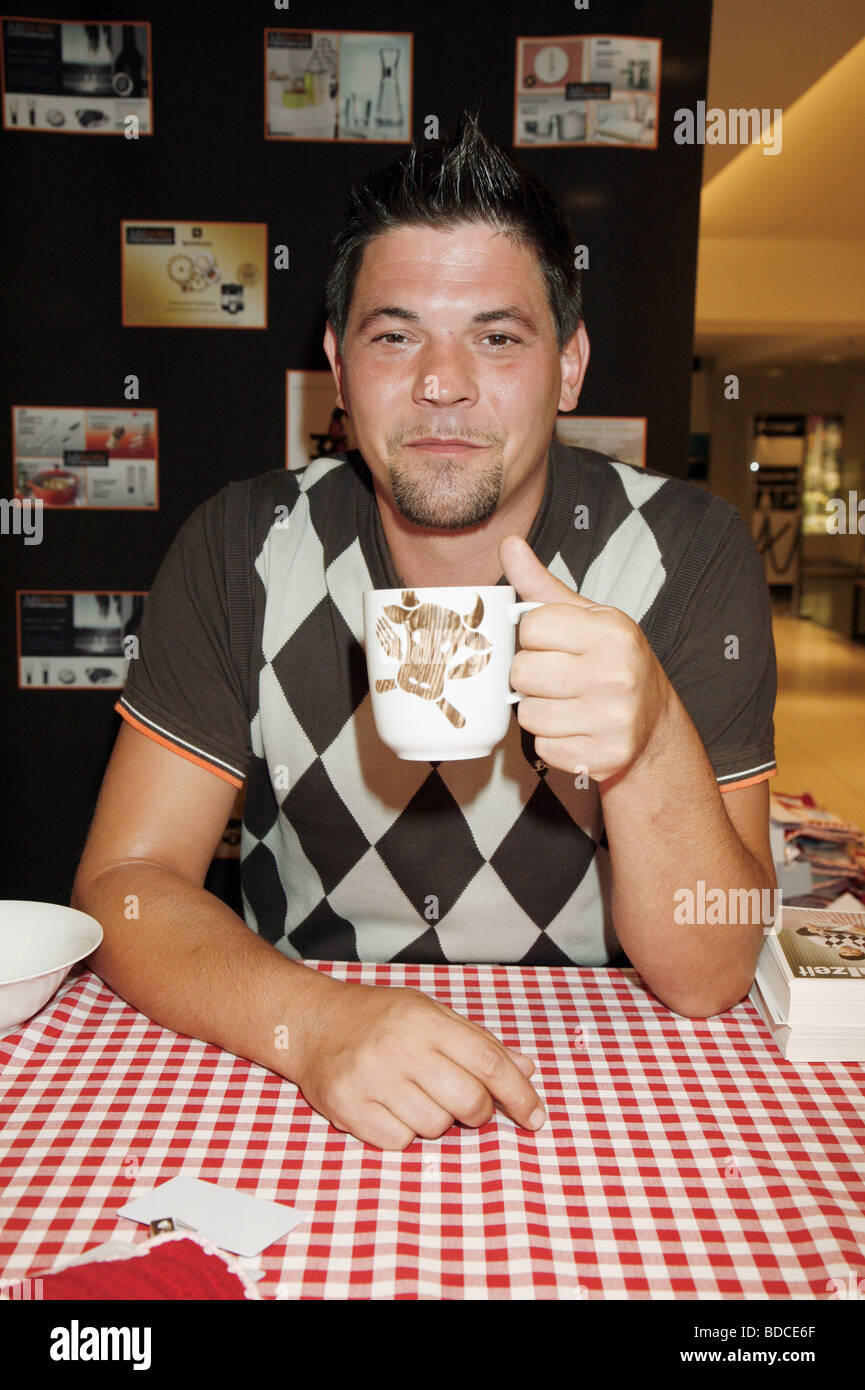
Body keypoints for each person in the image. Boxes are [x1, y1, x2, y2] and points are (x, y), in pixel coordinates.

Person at [72, 113, 778, 1151]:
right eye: (395, 334)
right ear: (337, 366)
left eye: (496, 337)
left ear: (570, 365)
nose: (441, 381)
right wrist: (315, 1025)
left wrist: (651, 733)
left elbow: (711, 972)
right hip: (295, 1071)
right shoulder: (242, 545)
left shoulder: (688, 553)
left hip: (594, 1092)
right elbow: (123, 890)